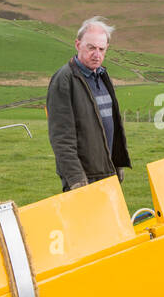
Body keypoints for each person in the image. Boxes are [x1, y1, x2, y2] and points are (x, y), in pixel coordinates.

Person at [47, 16, 131, 191]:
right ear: (78, 45)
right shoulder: (64, 80)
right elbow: (61, 137)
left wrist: (117, 163)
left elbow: (110, 125)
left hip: (107, 172)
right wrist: (76, 179)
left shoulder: (101, 75)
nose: (97, 54)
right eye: (91, 48)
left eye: (101, 49)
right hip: (85, 178)